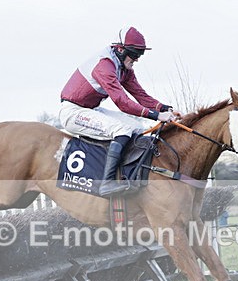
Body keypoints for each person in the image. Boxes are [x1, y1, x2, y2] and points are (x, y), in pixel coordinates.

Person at [59, 27, 180, 196]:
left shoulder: (124, 68)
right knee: (122, 130)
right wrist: (156, 115)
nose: (137, 59)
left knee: (137, 128)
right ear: (120, 49)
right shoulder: (105, 66)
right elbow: (122, 102)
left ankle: (130, 175)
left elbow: (140, 95)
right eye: (135, 53)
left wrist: (165, 108)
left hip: (90, 109)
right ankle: (107, 183)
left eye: (140, 54)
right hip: (73, 112)